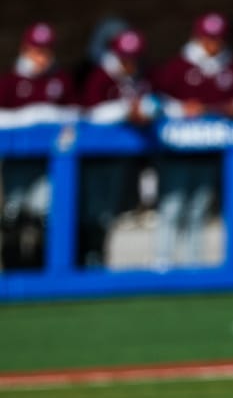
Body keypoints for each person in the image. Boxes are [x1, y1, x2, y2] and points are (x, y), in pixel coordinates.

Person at [150, 11, 233, 269]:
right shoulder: (179, 66)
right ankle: (163, 261)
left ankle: (193, 263)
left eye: (218, 38)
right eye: (208, 38)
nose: (213, 44)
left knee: (199, 207)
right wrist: (181, 109)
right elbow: (155, 101)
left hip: (209, 148)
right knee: (173, 205)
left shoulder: (230, 66)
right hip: (176, 149)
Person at [0, 21, 76, 270]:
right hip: (17, 161)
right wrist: (30, 117)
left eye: (46, 50)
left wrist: (51, 116)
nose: (42, 57)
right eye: (37, 50)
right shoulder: (10, 81)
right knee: (14, 215)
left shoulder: (60, 80)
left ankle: (41, 269)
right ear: (25, 49)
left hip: (49, 164)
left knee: (43, 215)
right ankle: (13, 268)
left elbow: (75, 114)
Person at [78, 27, 154, 268]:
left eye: (134, 58)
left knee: (111, 214)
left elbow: (150, 103)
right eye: (125, 58)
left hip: (123, 159)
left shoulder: (136, 79)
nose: (130, 63)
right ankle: (87, 260)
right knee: (92, 214)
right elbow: (90, 113)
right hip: (94, 158)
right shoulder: (99, 76)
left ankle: (99, 261)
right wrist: (125, 111)